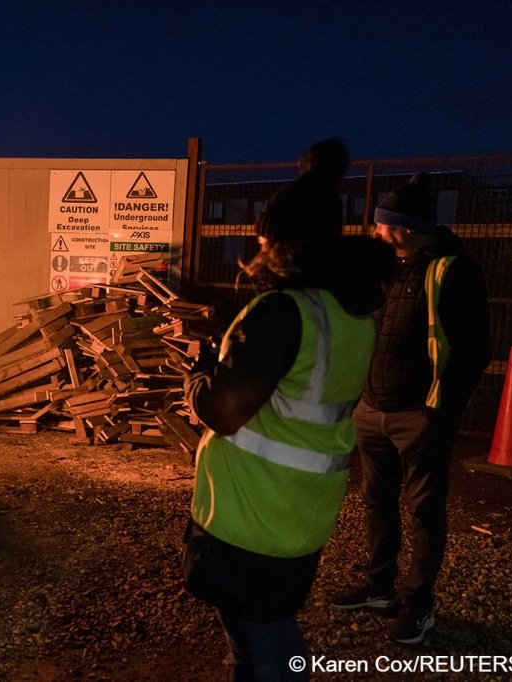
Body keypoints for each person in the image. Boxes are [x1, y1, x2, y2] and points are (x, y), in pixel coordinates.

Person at [180, 139, 396, 680]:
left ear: (283, 244)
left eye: (262, 238)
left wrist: (199, 371)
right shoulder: (346, 311)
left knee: (258, 648)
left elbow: (223, 409)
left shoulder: (283, 311)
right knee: (271, 630)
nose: (255, 246)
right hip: (299, 512)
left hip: (252, 514)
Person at [329, 174, 491, 645]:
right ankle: (379, 587)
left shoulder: (454, 270)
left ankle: (419, 605)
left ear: (404, 228)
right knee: (376, 500)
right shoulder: (386, 267)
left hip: (420, 415)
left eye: (382, 225)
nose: (375, 232)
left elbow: (473, 347)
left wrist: (440, 411)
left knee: (424, 509)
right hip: (371, 409)